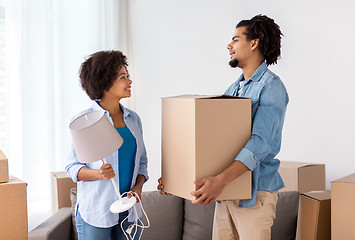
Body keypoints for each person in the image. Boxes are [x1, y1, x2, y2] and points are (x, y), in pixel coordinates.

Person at [158, 14, 288, 240]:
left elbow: (260, 143)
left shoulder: (271, 87)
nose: (229, 45)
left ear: (254, 43)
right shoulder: (233, 89)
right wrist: (177, 179)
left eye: (236, 40)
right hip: (228, 192)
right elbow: (217, 144)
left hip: (254, 194)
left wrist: (220, 181)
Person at [66, 50, 149, 240]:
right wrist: (99, 174)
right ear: (105, 83)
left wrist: (138, 188)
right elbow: (72, 168)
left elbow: (142, 162)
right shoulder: (84, 121)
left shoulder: (134, 120)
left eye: (128, 76)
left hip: (129, 211)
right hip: (97, 212)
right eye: (123, 77)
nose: (129, 81)